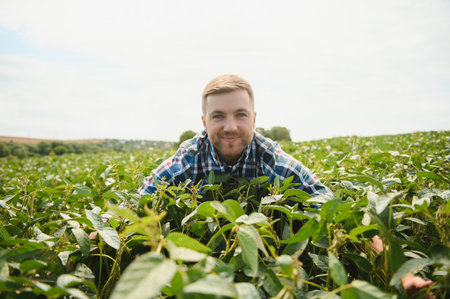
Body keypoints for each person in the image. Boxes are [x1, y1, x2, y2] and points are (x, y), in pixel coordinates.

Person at [138, 74, 433, 298]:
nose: (230, 126)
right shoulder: (190, 157)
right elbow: (140, 202)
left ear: (253, 119)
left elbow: (338, 211)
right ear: (204, 122)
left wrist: (403, 277)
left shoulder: (272, 160)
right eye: (218, 116)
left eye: (240, 114)